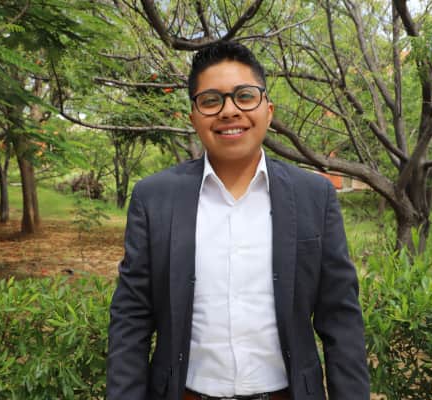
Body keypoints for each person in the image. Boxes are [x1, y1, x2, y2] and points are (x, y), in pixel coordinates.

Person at [107, 41, 369, 400]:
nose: (229, 111)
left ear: (268, 110)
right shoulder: (154, 198)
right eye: (211, 100)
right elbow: (131, 317)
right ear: (193, 117)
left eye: (245, 96)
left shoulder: (313, 196)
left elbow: (341, 318)